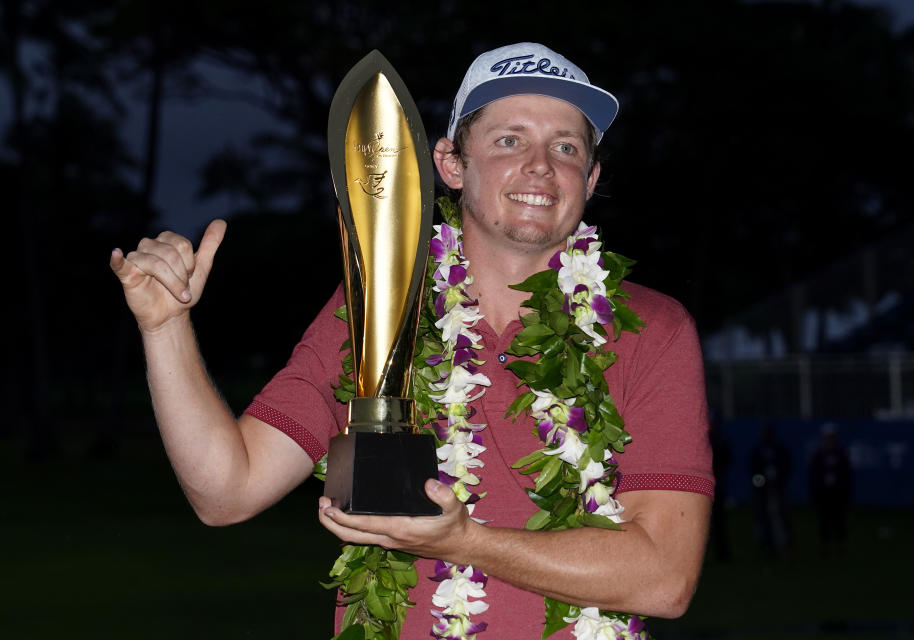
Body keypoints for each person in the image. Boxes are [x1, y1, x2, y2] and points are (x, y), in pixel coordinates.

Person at [111, 42, 714, 638]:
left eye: (566, 147)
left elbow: (665, 578)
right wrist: (164, 327)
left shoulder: (651, 329)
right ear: (451, 164)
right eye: (509, 140)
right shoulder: (371, 308)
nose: (540, 165)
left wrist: (463, 541)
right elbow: (227, 491)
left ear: (592, 175)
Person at [809, 422, 852, 557]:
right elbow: (814, 474)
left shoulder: (840, 453)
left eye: (831, 437)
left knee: (839, 519)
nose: (829, 439)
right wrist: (816, 490)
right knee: (824, 519)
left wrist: (845, 489)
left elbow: (846, 473)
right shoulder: (818, 454)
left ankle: (840, 545)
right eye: (827, 437)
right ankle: (825, 546)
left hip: (837, 491)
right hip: (824, 492)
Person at [749, 423, 792, 556]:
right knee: (762, 517)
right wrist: (761, 482)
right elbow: (753, 470)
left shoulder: (779, 449)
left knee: (779, 516)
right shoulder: (758, 450)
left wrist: (778, 479)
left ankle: (782, 545)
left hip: (776, 488)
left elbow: (786, 466)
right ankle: (765, 545)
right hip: (762, 490)